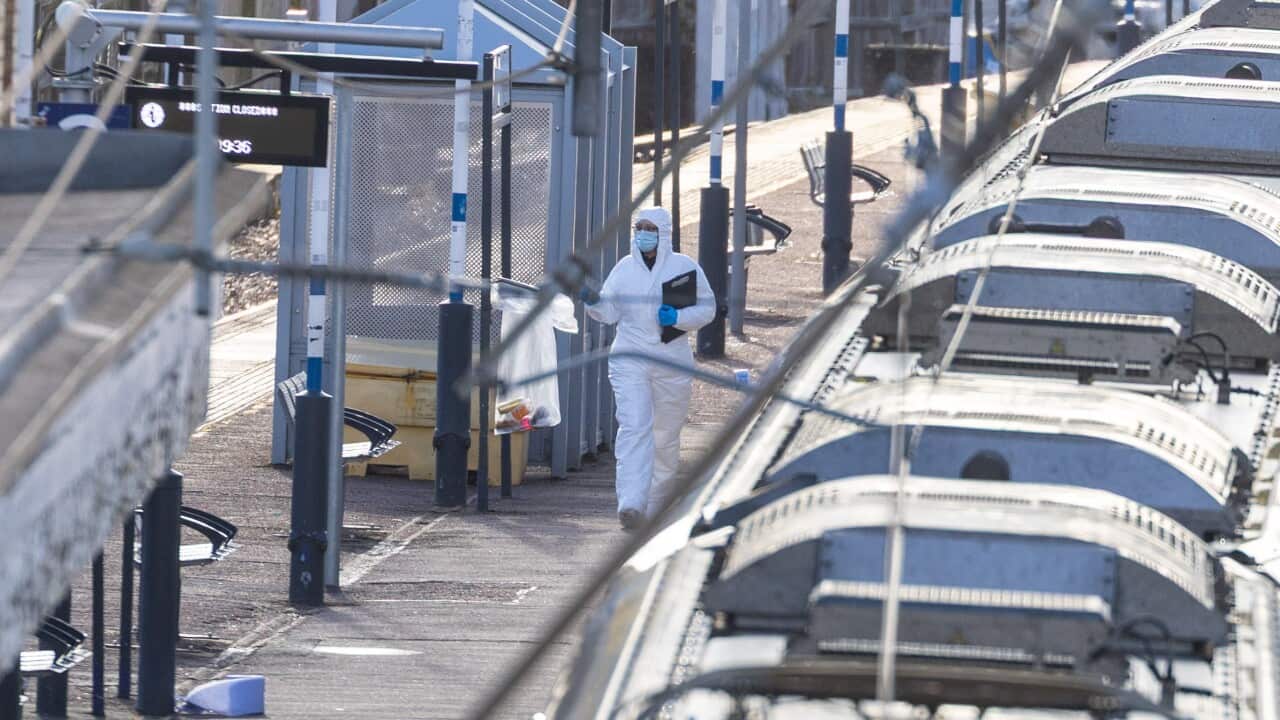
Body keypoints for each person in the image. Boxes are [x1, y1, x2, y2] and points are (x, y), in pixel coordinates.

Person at [582, 207, 716, 530]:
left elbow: (708, 308)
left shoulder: (684, 267)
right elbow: (610, 312)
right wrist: (593, 301)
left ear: (664, 233)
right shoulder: (624, 269)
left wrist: (679, 318)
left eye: (650, 228)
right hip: (631, 356)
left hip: (672, 359)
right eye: (639, 227)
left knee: (665, 434)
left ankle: (658, 505)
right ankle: (631, 502)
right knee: (634, 426)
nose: (643, 234)